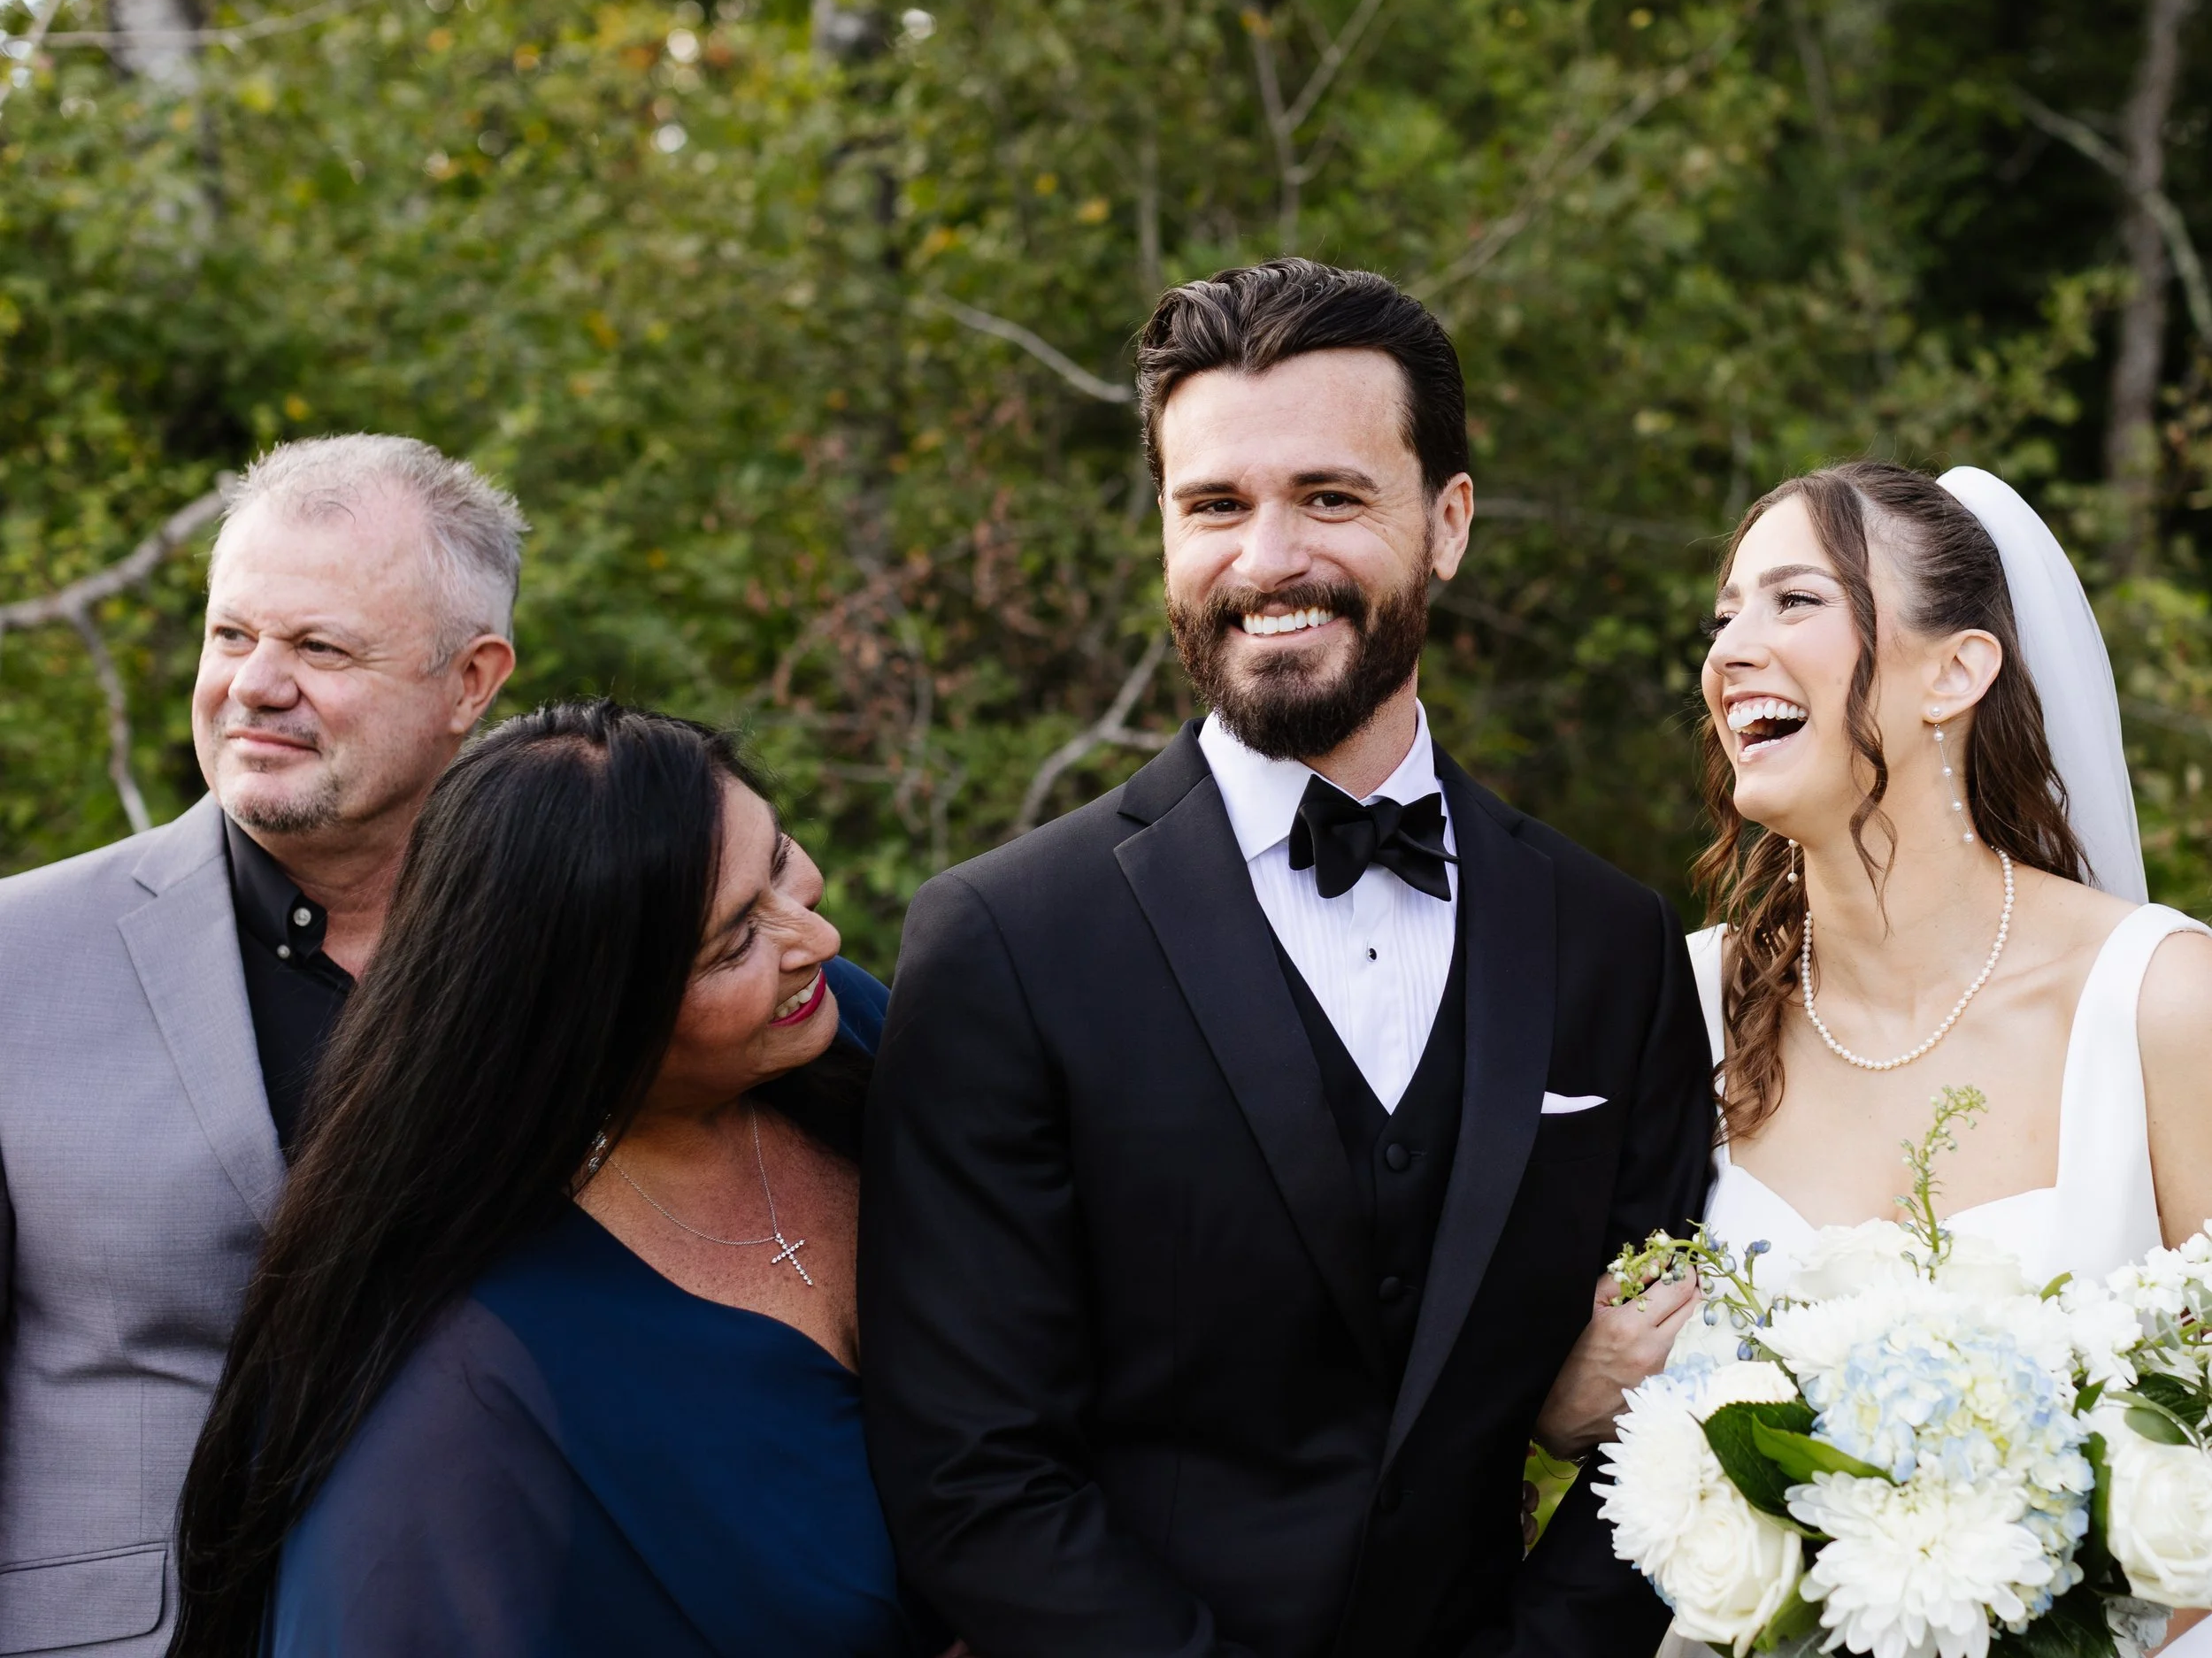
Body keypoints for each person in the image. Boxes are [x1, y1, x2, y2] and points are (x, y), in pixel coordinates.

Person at [860, 257, 1716, 1657]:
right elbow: (968, 1469)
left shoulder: (1608, 942)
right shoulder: (1007, 941)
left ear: (1445, 524)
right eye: (1214, 507)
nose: (1267, 562)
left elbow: (1682, 1404)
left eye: (1329, 497)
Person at [1548, 461, 2212, 1656]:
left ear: (1956, 671)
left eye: (1794, 602)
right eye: (1723, 616)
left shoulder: (2160, 1003)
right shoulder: (1676, 1008)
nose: (1732, 649)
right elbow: (1553, 1407)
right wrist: (1563, 1397)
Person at [170, 700, 944, 1658]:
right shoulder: (459, 1398)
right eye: (735, 940)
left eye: (780, 857)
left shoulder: (837, 1031)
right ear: (585, 1021)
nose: (814, 938)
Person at [0, 434, 523, 1657]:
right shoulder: (13, 962)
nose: (253, 686)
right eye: (232, 636)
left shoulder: (584, 951)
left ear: (472, 680)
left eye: (320, 648)